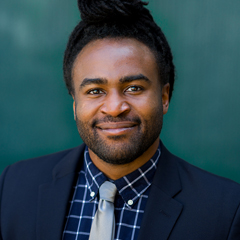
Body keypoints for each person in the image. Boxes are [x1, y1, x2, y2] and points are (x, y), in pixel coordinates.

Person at [0, 0, 240, 239]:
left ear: (164, 97)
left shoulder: (226, 211)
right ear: (75, 105)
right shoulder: (13, 188)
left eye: (134, 88)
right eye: (95, 91)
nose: (114, 108)